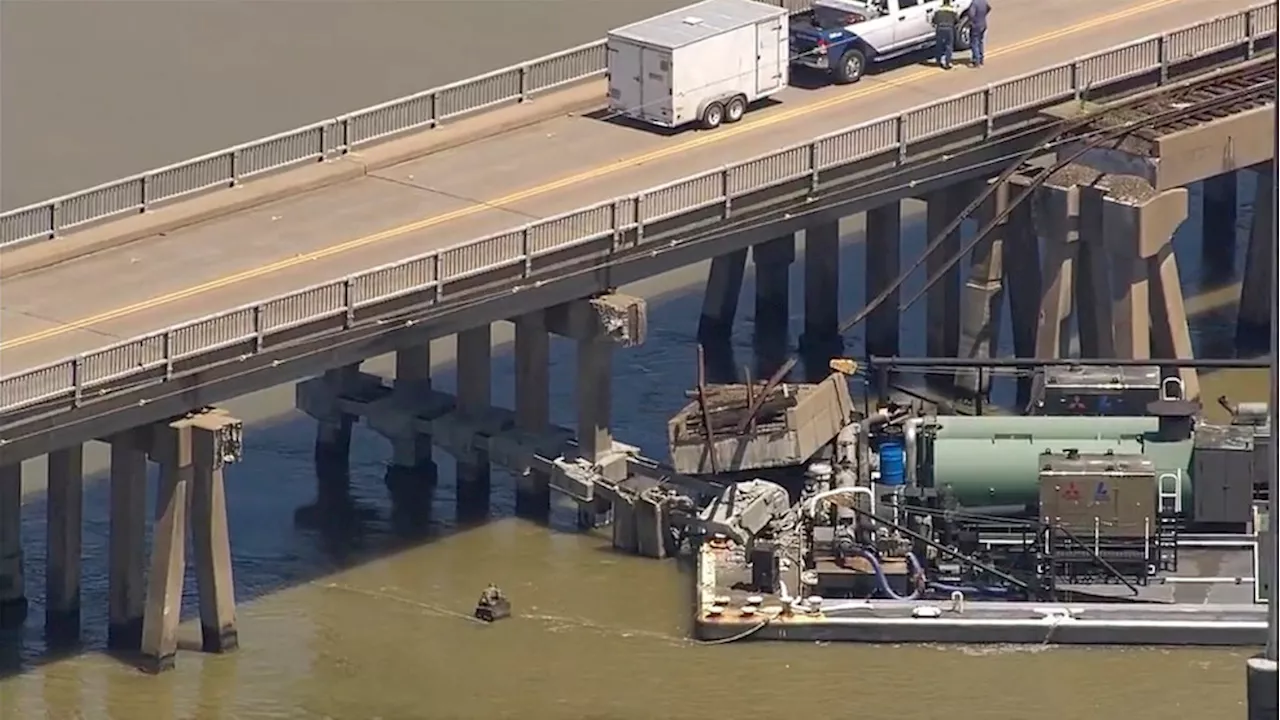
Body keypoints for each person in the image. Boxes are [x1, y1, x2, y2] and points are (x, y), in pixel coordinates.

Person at [931, 0, 959, 70]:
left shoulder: (938, 10)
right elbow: (957, 20)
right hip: (949, 28)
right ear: (949, 2)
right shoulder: (953, 10)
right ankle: (947, 62)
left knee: (939, 44)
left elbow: (933, 20)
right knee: (949, 45)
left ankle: (938, 59)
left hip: (940, 28)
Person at [968, 0, 991, 67]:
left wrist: (971, 21)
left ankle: (976, 61)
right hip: (983, 24)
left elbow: (971, 14)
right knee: (981, 42)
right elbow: (988, 8)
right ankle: (981, 60)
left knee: (974, 43)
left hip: (976, 25)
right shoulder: (983, 2)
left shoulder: (974, 3)